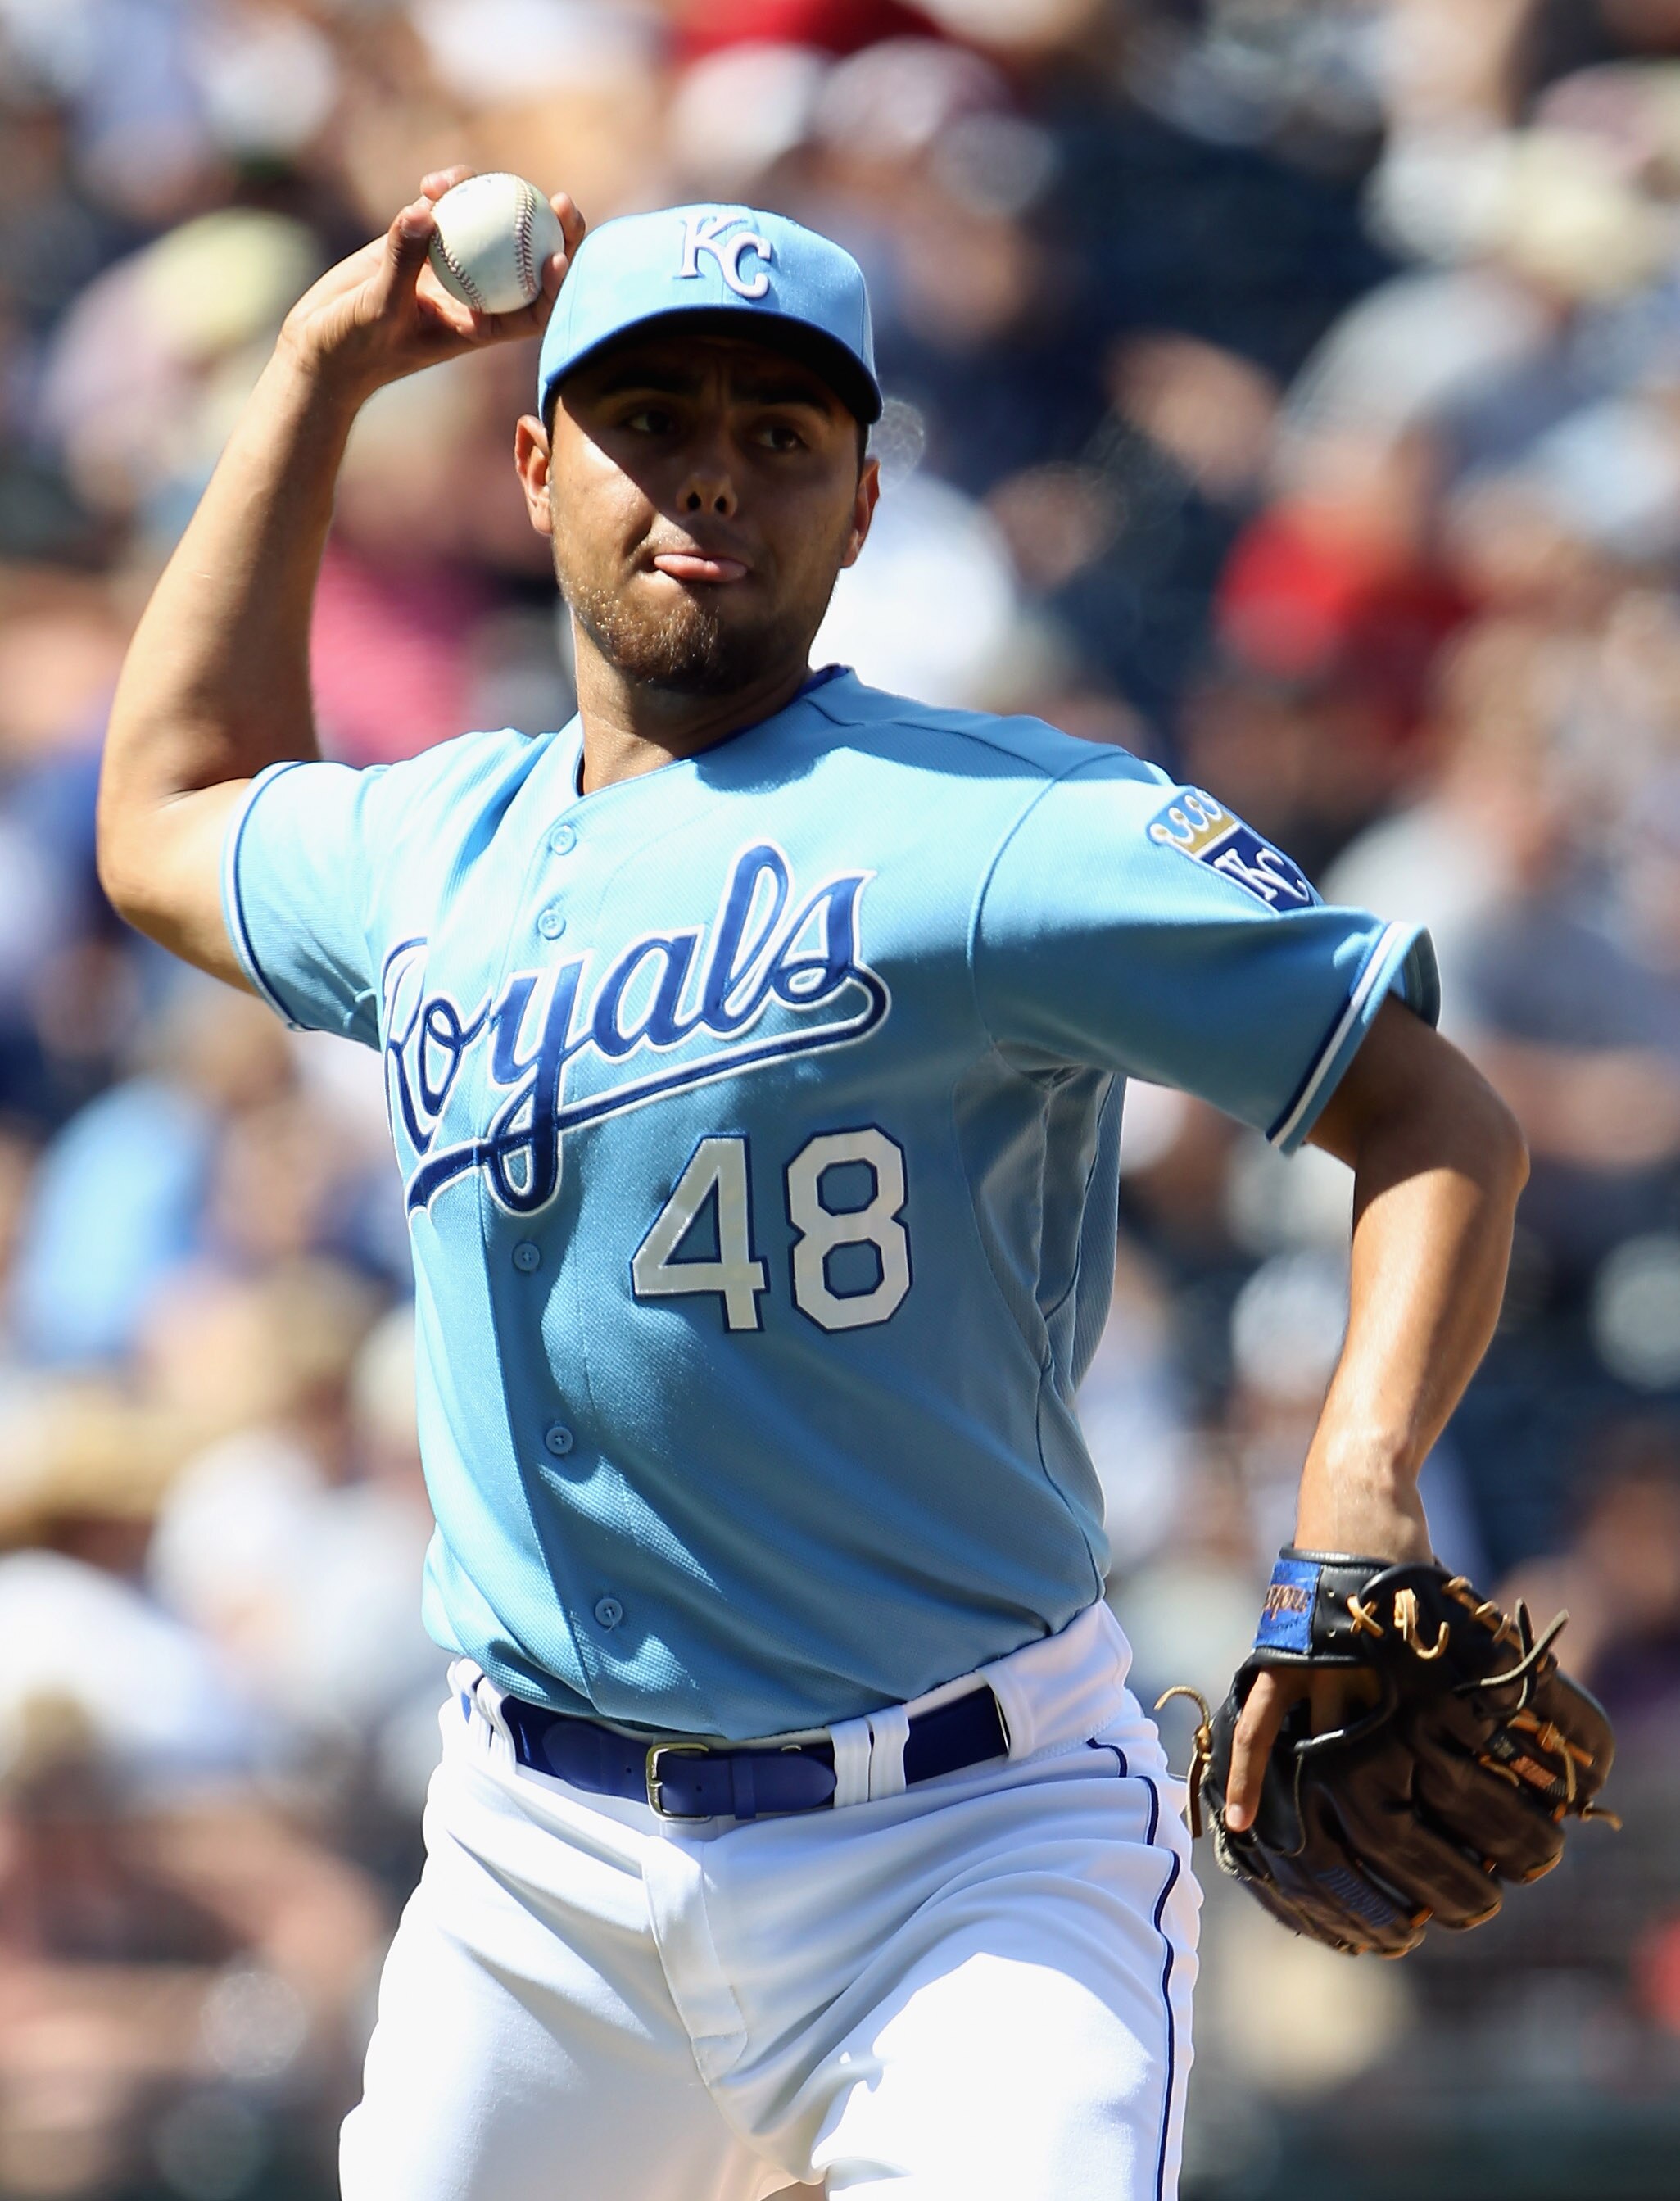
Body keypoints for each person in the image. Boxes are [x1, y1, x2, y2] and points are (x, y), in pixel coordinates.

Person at [95, 171, 1528, 2201]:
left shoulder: (1011, 829)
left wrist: (1360, 1499)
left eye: (780, 435)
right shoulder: (440, 852)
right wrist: (322, 371)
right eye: (650, 419)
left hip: (969, 1846)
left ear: (863, 504)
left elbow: (1436, 1117)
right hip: (537, 1866)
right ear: (533, 463)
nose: (711, 477)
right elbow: (161, 814)